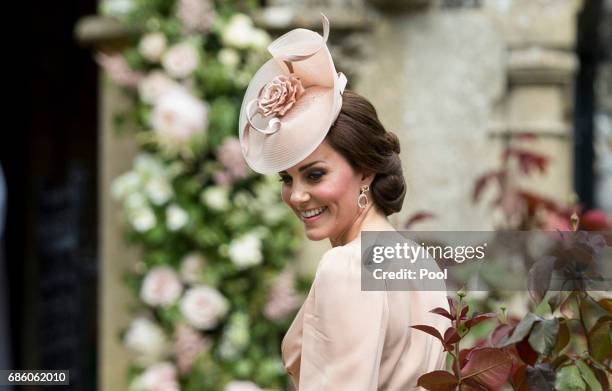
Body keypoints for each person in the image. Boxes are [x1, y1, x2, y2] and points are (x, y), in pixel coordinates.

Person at [238, 14, 450, 390]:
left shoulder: (346, 267)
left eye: (315, 174)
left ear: (365, 171)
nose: (297, 195)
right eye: (287, 178)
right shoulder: (421, 264)